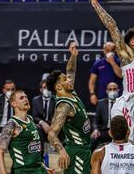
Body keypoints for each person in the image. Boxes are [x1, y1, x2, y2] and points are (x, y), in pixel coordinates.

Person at [89, 0, 134, 144]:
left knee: (132, 150)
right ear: (132, 42)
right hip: (128, 105)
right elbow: (112, 27)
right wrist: (95, 4)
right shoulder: (130, 55)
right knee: (127, 149)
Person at [46, 42, 91, 173]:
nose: (70, 80)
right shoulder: (64, 105)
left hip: (84, 149)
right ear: (59, 87)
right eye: (65, 79)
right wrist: (62, 151)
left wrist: (73, 55)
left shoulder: (72, 93)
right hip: (76, 151)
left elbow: (70, 70)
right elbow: (51, 133)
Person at [0, 90, 54, 174]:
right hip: (24, 171)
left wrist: (44, 167)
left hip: (39, 170)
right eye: (21, 98)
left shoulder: (30, 119)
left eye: (26, 97)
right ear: (13, 104)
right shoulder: (12, 124)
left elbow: (35, 152)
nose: (25, 99)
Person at [89, 41, 122, 105]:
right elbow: (92, 81)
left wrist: (112, 62)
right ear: (104, 50)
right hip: (103, 96)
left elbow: (121, 75)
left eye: (112, 50)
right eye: (108, 50)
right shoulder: (98, 63)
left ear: (115, 51)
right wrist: (92, 94)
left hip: (118, 96)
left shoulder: (119, 62)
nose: (110, 52)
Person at [91, 82, 120, 151]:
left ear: (118, 90)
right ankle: (91, 159)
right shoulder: (101, 103)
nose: (112, 91)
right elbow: (95, 120)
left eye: (114, 89)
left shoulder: (123, 103)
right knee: (94, 138)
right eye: (110, 89)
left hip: (119, 132)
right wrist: (95, 129)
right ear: (107, 91)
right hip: (105, 131)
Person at [32, 79, 56, 156]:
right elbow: (35, 116)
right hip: (41, 126)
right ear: (40, 89)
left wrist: (48, 125)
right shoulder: (36, 100)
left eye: (48, 87)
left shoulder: (56, 99)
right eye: (44, 87)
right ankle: (40, 154)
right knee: (38, 129)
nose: (46, 90)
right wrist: (43, 123)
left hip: (53, 125)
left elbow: (55, 116)